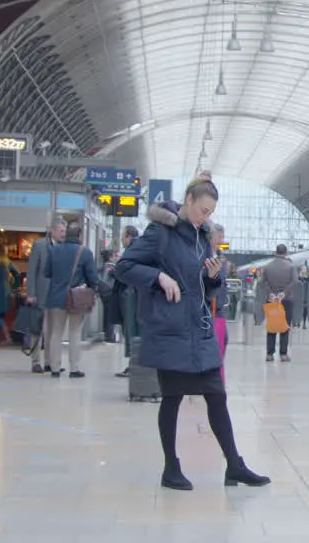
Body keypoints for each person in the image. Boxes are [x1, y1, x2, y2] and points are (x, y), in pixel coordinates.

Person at [113, 173, 269, 491]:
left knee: (217, 394)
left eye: (210, 213)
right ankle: (171, 468)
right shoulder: (161, 233)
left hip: (198, 329)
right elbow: (123, 267)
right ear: (188, 201)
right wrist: (159, 277)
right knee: (172, 398)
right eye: (203, 210)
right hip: (170, 329)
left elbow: (202, 288)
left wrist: (212, 277)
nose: (206, 217)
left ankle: (234, 465)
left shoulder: (202, 237)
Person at [43, 225, 104, 377]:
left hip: (56, 297)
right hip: (76, 298)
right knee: (75, 332)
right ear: (79, 235)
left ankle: (55, 368)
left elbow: (47, 272)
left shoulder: (54, 250)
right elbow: (92, 277)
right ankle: (74, 368)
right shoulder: (84, 252)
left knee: (56, 333)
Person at [27, 218, 66, 372]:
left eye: (65, 231)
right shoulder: (40, 245)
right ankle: (35, 361)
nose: (63, 234)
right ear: (53, 230)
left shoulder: (63, 247)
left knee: (52, 330)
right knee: (37, 329)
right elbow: (32, 270)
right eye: (61, 231)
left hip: (56, 295)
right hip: (41, 293)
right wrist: (31, 293)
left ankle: (50, 361)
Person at [258, 244, 299, 363]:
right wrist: (284, 293)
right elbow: (295, 281)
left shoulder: (268, 266)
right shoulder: (291, 266)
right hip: (286, 300)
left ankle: (269, 354)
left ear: (275, 252)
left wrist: (270, 293)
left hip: (272, 300)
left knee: (272, 326)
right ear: (286, 252)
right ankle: (283, 354)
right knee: (285, 327)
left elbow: (262, 283)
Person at [113, 225, 139, 378]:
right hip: (128, 294)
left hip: (130, 296)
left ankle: (133, 364)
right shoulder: (135, 251)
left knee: (130, 330)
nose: (122, 240)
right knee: (129, 330)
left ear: (129, 237)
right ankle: (133, 364)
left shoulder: (132, 252)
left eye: (123, 237)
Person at [208, 225, 230, 378]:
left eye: (222, 237)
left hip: (219, 308)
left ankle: (214, 376)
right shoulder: (206, 256)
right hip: (210, 307)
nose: (221, 240)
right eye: (219, 236)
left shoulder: (221, 257)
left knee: (222, 341)